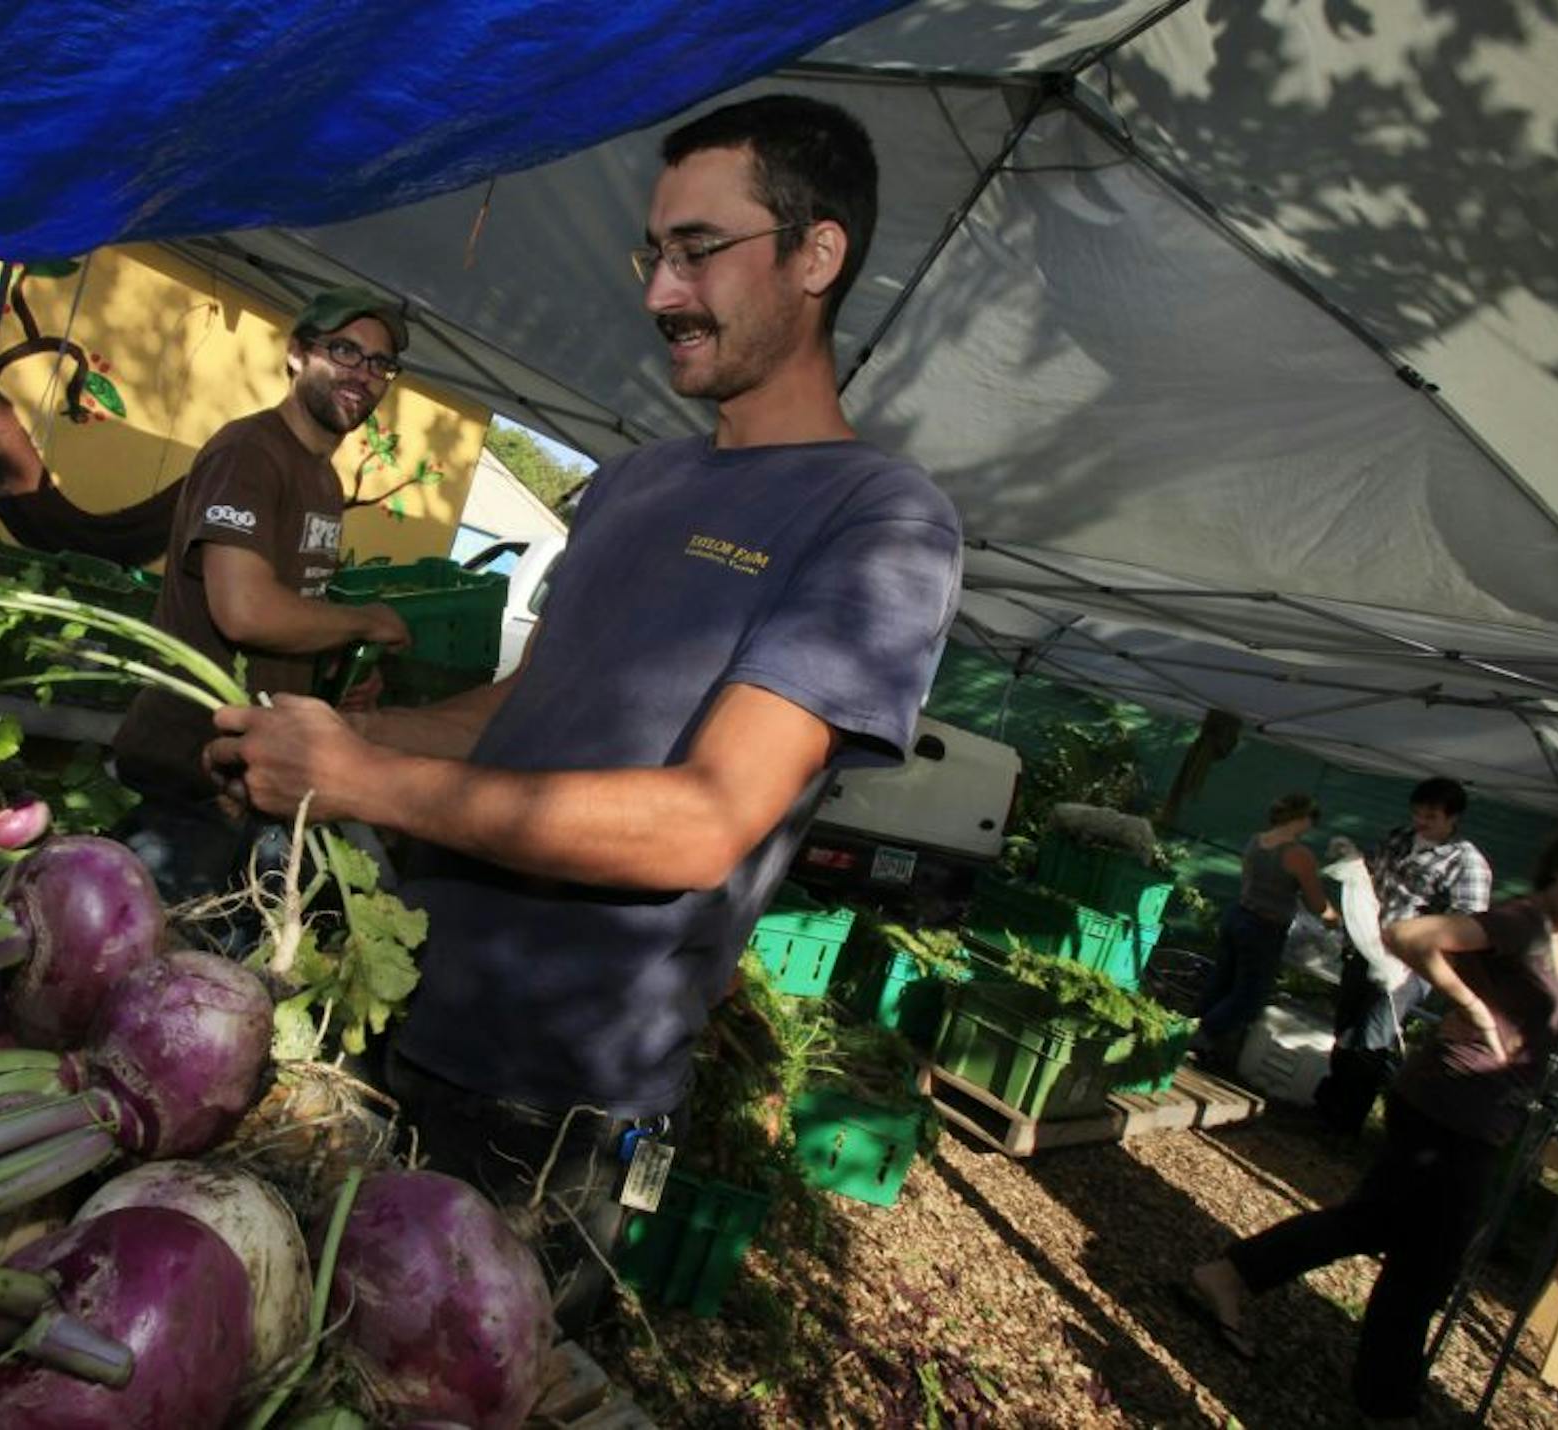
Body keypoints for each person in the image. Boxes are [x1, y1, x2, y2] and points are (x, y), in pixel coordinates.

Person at [204, 94, 963, 1329]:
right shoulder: (639, 481)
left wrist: (363, 782)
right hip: (397, 1015)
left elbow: (702, 825)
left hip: (548, 1115)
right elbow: (520, 709)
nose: (662, 293)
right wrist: (318, 737)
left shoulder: (881, 518)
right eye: (652, 254)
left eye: (699, 250)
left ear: (816, 255)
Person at [1186, 822, 1558, 1424]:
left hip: (1472, 1110)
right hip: (1450, 1108)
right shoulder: (1523, 921)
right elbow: (1409, 934)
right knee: (1425, 1262)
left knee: (1381, 1228)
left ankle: (1234, 1279)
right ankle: (1385, 1401)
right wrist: (1467, 1005)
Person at [109, 285, 413, 902]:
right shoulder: (251, 450)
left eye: (380, 363)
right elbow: (245, 611)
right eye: (345, 351)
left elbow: (293, 603)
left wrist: (335, 669)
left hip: (255, 771)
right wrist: (364, 623)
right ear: (297, 354)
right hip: (190, 767)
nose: (364, 374)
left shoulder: (323, 478)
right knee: (133, 959)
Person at [1313, 777, 1492, 1138]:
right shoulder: (1399, 837)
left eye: (1431, 816)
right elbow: (1371, 882)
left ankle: (1345, 1124)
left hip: (1409, 966)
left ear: (1452, 817)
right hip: (1367, 947)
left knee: (1372, 1039)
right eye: (1417, 814)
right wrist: (1353, 863)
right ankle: (1326, 1109)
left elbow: (1464, 926)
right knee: (1345, 1029)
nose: (1421, 822)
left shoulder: (1467, 861)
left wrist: (1418, 955)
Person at [1190, 793, 1337, 1072]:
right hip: (1264, 927)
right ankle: (1200, 1038)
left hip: (1238, 914)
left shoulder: (1257, 841)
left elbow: (1249, 881)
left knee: (1221, 982)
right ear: (1303, 818)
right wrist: (1333, 916)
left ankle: (1187, 1030)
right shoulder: (1298, 854)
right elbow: (1316, 903)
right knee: (1249, 995)